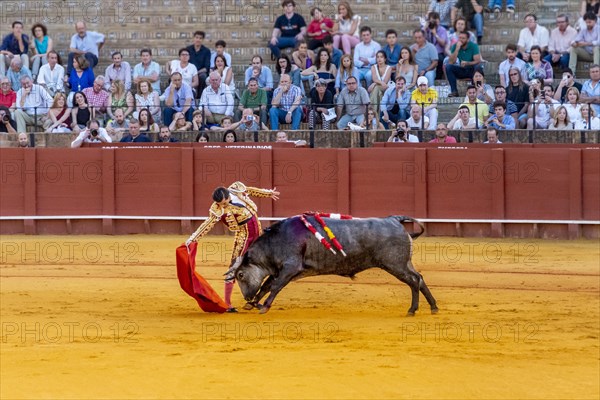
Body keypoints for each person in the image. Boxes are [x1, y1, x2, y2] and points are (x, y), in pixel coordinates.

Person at [185, 182, 280, 312]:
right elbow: (207, 225)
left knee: (265, 263)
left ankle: (256, 298)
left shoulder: (236, 189)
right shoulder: (217, 209)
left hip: (257, 230)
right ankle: (228, 304)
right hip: (244, 236)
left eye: (225, 202)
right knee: (234, 267)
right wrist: (192, 239)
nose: (224, 206)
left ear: (228, 195)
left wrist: (268, 193)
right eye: (221, 204)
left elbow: (250, 190)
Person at [446, 31, 481, 97]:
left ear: (467, 39)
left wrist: (467, 63)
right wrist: (457, 49)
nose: (461, 40)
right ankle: (454, 91)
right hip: (461, 69)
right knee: (448, 67)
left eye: (463, 38)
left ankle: (475, 91)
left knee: (477, 67)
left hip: (471, 69)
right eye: (459, 38)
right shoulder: (455, 46)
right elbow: (451, 62)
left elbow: (477, 61)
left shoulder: (473, 46)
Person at [424, 12, 448, 80]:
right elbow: (420, 40)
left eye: (435, 21)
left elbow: (442, 43)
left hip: (439, 52)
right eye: (432, 21)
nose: (433, 23)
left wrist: (435, 34)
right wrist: (425, 29)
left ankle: (438, 78)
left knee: (440, 60)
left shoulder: (442, 30)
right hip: (427, 52)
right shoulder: (426, 29)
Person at [187, 31, 211, 95]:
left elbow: (206, 67)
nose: (198, 40)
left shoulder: (206, 51)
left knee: (203, 76)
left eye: (200, 38)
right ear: (194, 38)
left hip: (200, 73)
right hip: (189, 72)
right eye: (197, 37)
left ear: (202, 40)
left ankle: (199, 96)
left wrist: (196, 73)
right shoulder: (188, 49)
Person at [368, 51, 392, 115]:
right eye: (377, 57)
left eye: (381, 57)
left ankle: (372, 112)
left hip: (386, 89)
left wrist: (375, 83)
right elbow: (374, 79)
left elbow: (385, 82)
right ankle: (377, 114)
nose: (379, 59)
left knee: (375, 88)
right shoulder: (373, 67)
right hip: (378, 89)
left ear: (385, 59)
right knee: (377, 90)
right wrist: (376, 83)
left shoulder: (389, 68)